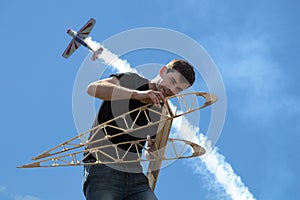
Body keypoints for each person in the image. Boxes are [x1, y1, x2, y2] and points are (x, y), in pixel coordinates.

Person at [83, 59, 195, 200]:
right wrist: (138, 95)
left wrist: (155, 149)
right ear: (163, 71)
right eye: (172, 81)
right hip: (102, 165)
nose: (172, 90)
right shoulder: (132, 80)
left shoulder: (160, 111)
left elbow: (150, 151)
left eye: (178, 89)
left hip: (136, 176)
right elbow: (92, 88)